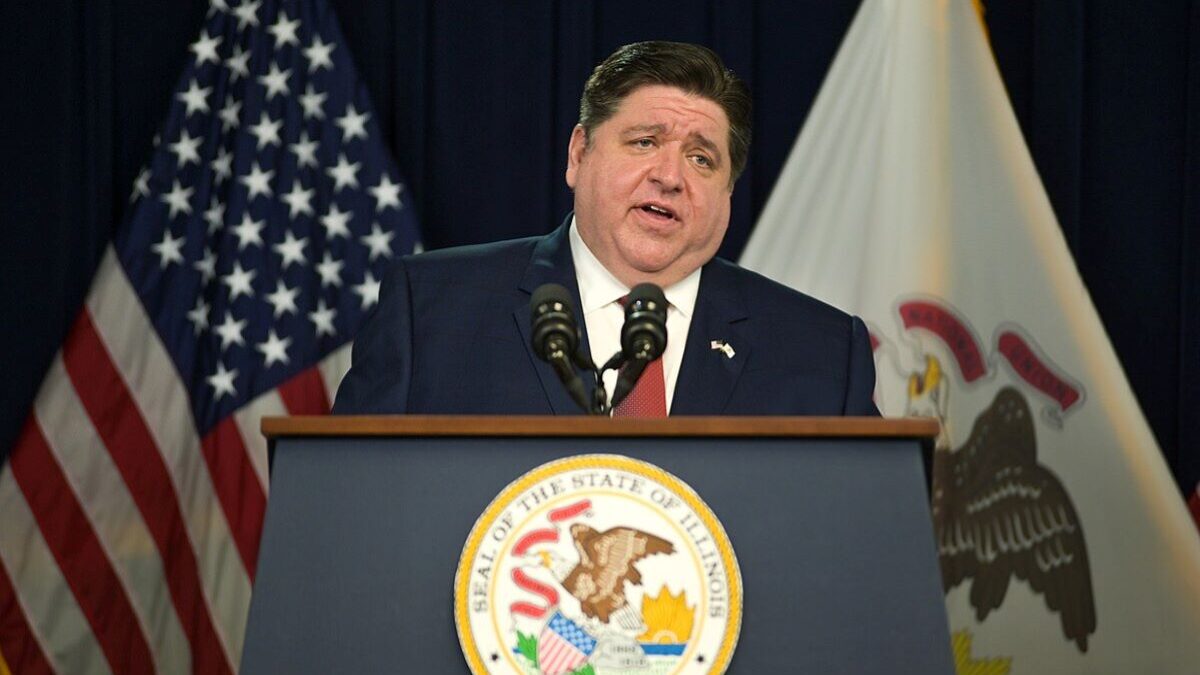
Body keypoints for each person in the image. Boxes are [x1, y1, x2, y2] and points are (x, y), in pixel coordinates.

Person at [332, 41, 878, 416]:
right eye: (644, 142)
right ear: (578, 154)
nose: (669, 177)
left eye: (702, 159)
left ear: (728, 193)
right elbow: (347, 506)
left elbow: (869, 549)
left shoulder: (824, 353)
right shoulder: (431, 311)